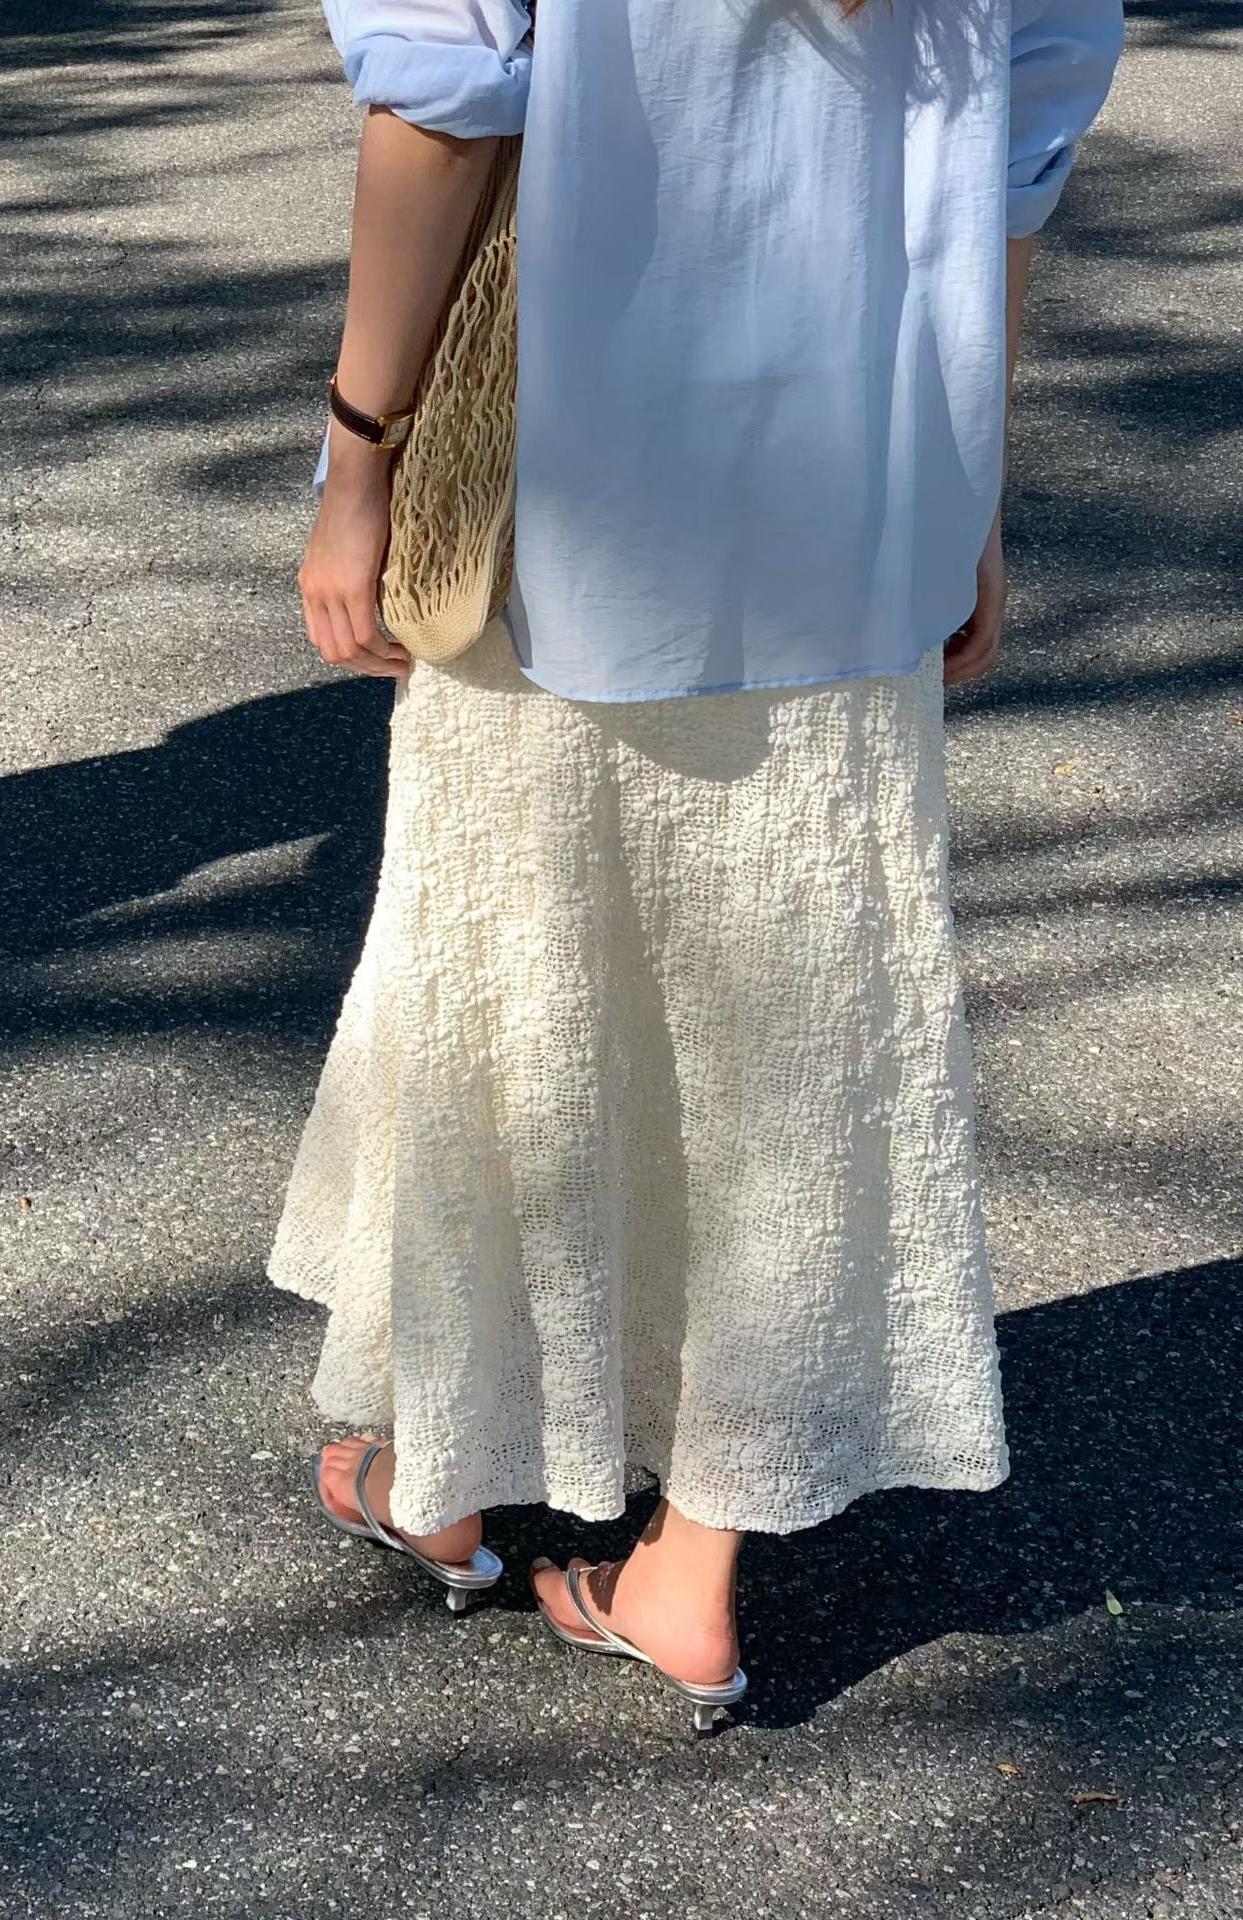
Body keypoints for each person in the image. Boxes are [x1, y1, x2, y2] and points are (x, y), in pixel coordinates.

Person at [270, 0, 1125, 1728]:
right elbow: (1012, 162)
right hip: (862, 493)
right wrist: (969, 502)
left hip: (572, 485)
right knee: (805, 1021)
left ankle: (441, 1470)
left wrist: (358, 459)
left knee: (502, 974)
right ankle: (694, 1566)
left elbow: (444, 103)